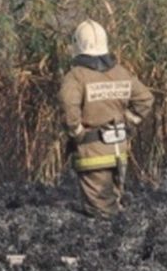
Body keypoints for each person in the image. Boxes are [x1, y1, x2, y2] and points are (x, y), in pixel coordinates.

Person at [58, 19, 154, 218]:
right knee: (114, 202)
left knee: (101, 213)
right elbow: (145, 99)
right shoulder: (120, 72)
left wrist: (76, 133)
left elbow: (69, 106)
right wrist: (128, 121)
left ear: (77, 44)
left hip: (93, 154)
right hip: (119, 152)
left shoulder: (77, 76)